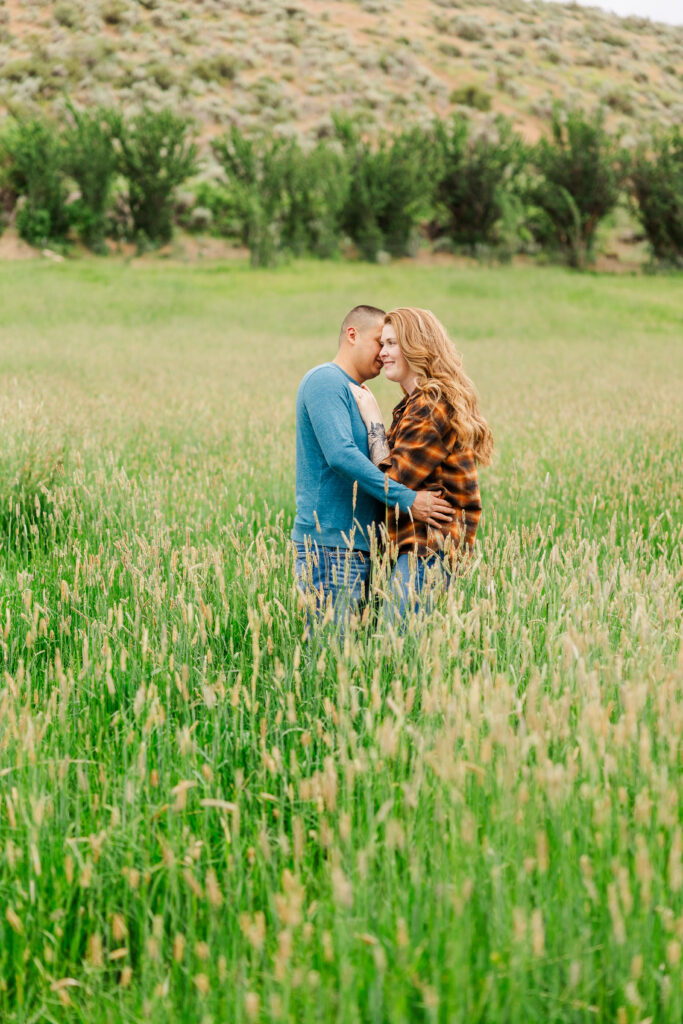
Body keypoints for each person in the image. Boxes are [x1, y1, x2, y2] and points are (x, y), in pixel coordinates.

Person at [292, 304, 454, 624]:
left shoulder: (361, 394)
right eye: (380, 342)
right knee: (331, 654)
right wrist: (408, 499)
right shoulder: (326, 381)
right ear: (352, 335)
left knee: (357, 659)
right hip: (330, 547)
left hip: (363, 550)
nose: (384, 353)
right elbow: (340, 454)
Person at [351, 307, 493, 619]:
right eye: (381, 344)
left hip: (428, 548)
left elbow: (394, 479)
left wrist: (374, 422)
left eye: (391, 344)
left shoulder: (431, 405)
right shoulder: (414, 404)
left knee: (394, 649)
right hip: (415, 547)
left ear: (417, 347)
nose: (382, 353)